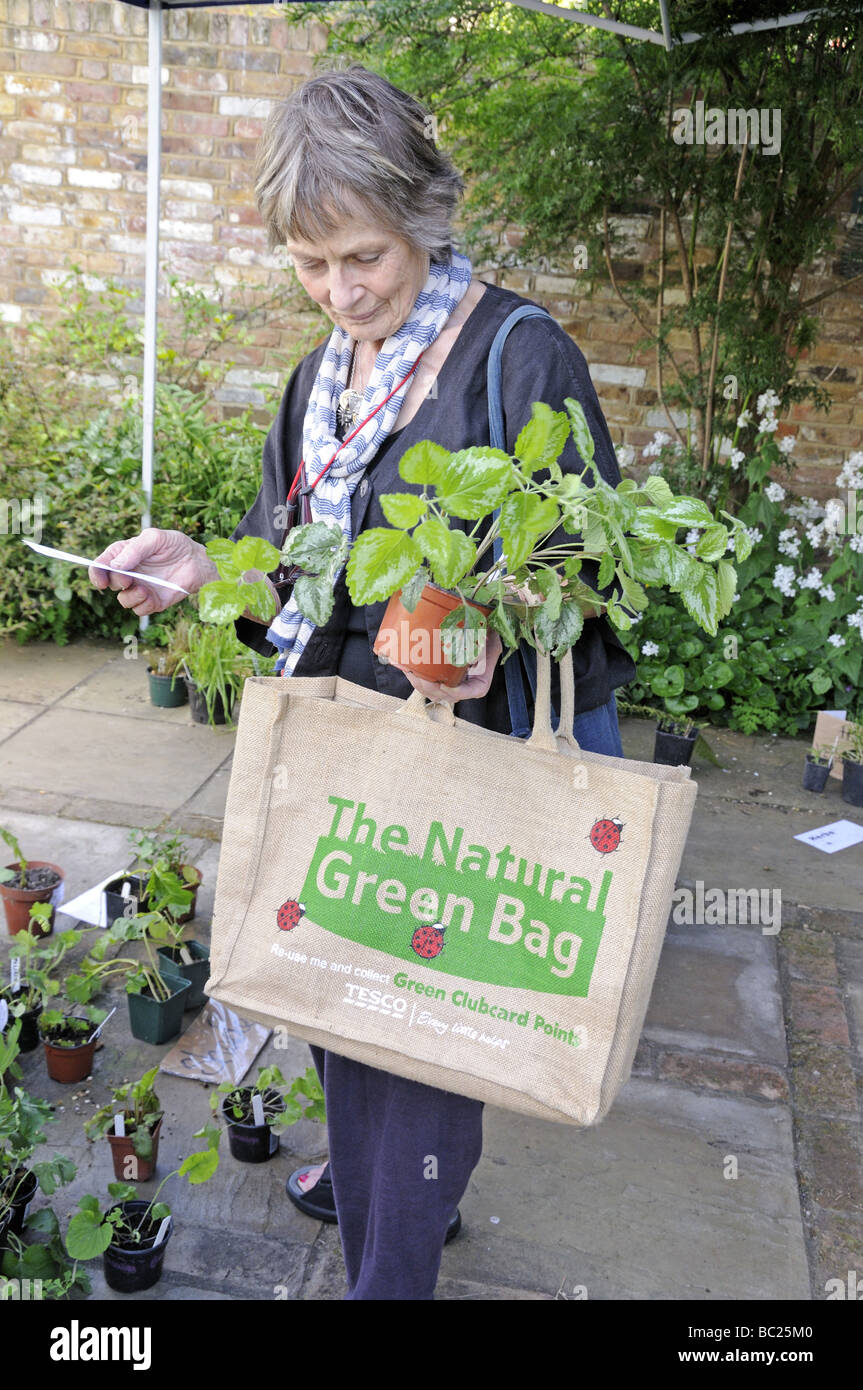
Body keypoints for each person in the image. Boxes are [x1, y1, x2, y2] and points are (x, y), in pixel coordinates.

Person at [90, 64, 636, 1300]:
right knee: (337, 988)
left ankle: (391, 1269)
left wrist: (500, 615)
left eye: (366, 260)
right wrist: (197, 567)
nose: (341, 295)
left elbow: (596, 575)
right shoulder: (323, 377)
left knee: (419, 1033)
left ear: (427, 221)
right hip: (342, 754)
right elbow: (286, 561)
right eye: (312, 264)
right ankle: (368, 1179)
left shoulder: (516, 356)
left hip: (459, 776)